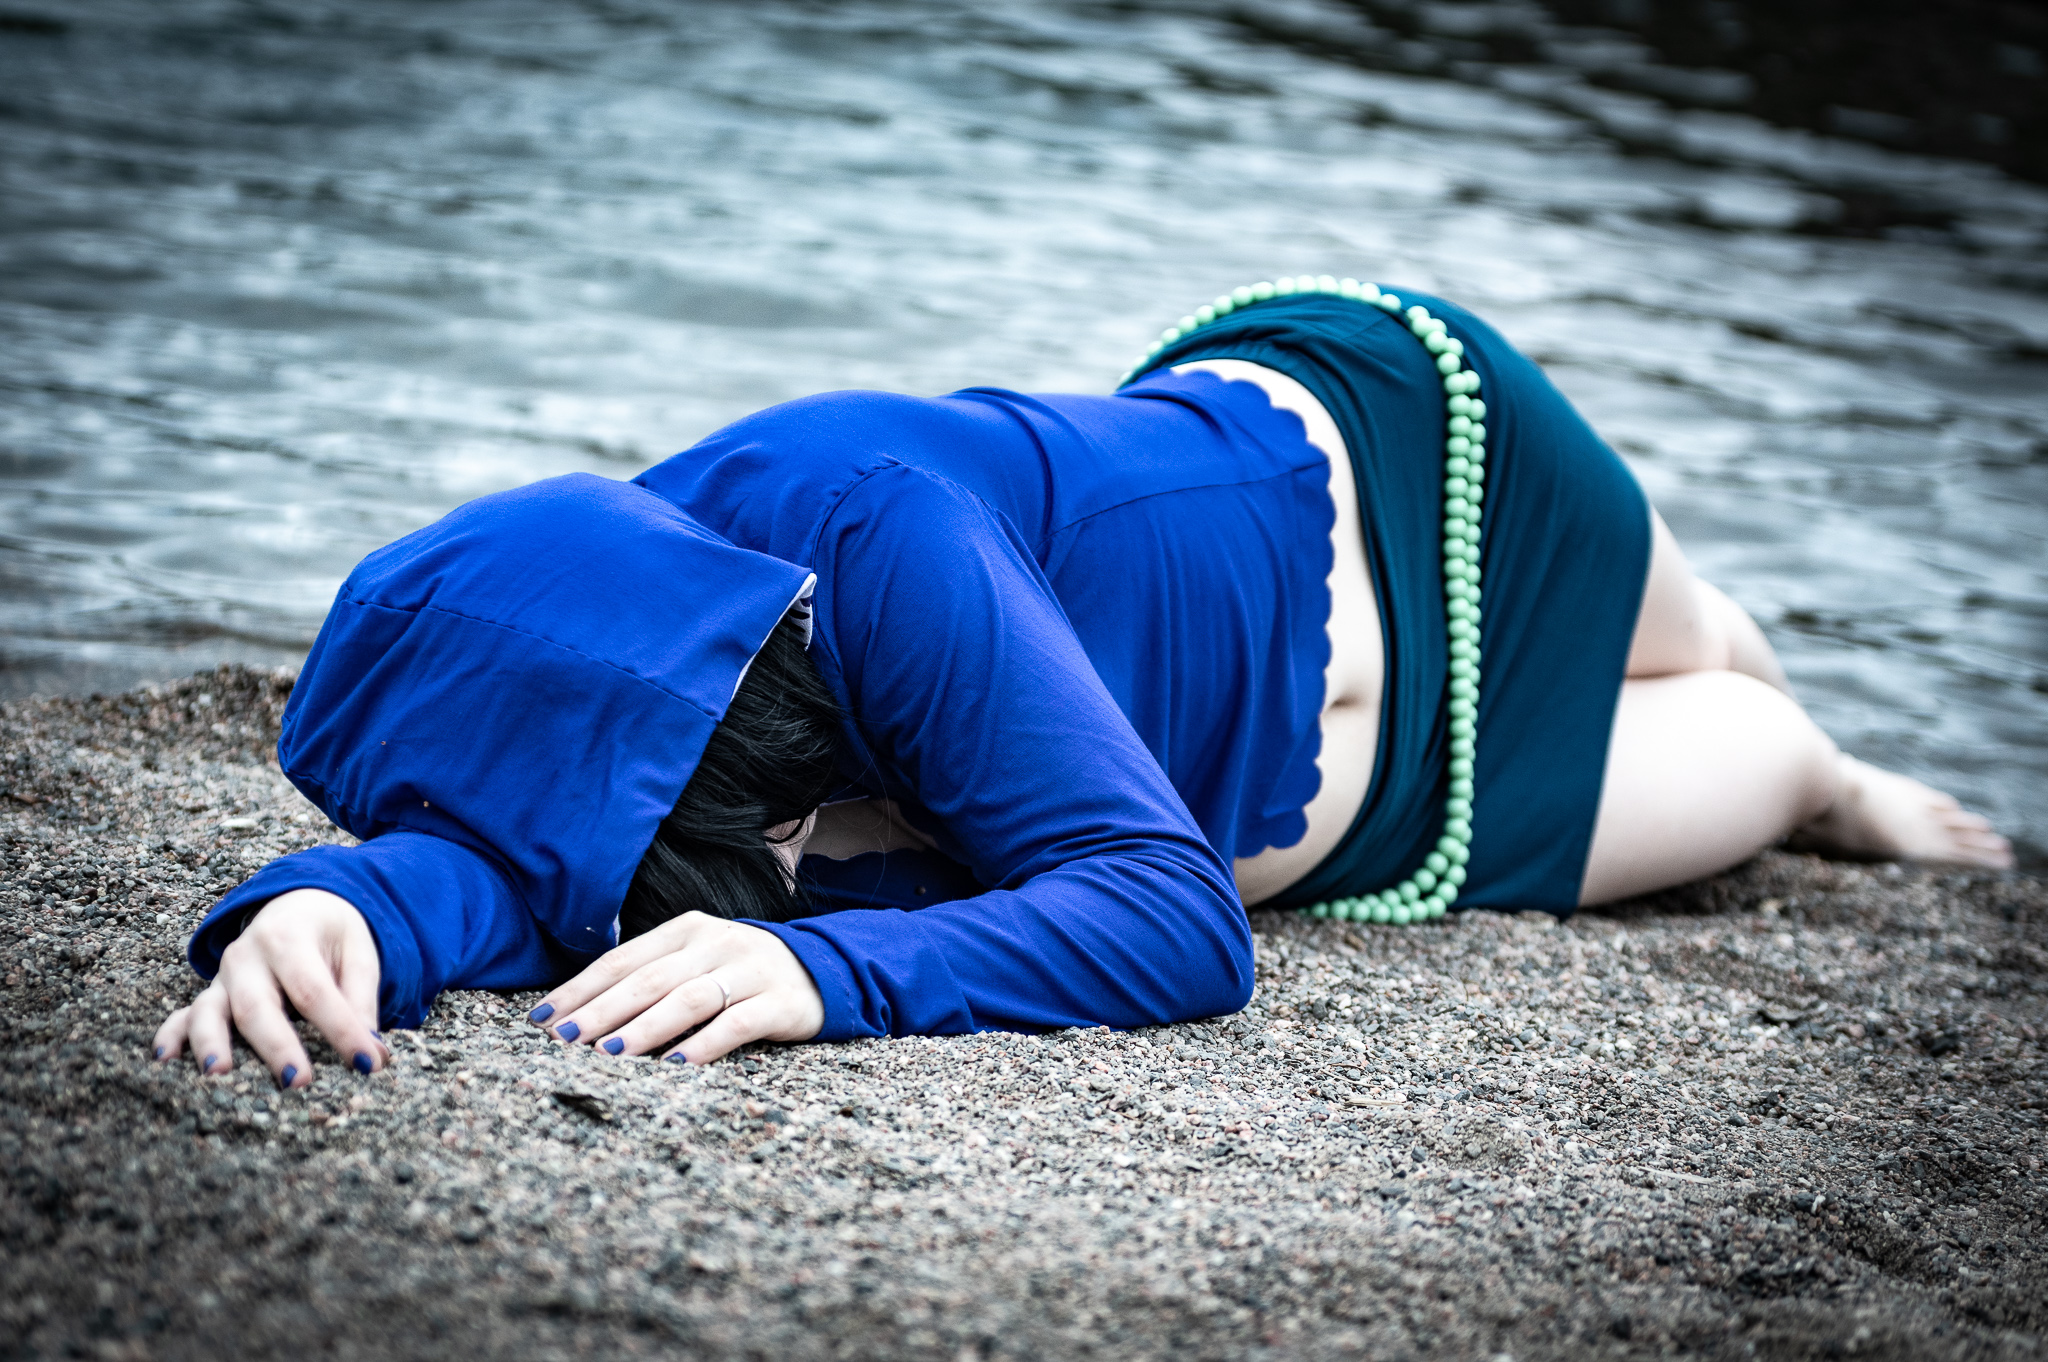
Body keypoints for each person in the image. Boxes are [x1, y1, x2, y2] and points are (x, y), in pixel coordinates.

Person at [150, 280, 2011, 1087]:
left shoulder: (867, 530)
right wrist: (327, 911)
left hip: (1419, 479)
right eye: (756, 860)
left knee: (1731, 655)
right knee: (1757, 767)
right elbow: (498, 867)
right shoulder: (613, 713)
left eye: (774, 814)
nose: (791, 863)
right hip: (1390, 825)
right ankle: (1826, 780)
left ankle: (1862, 771)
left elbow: (1178, 923)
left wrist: (825, 973)